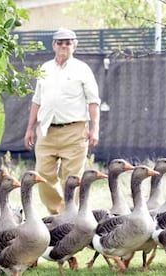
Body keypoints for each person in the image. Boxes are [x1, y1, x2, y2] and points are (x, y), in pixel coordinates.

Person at [24, 28, 101, 214]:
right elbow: (37, 100)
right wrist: (29, 129)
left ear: (74, 45)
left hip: (74, 131)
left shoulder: (82, 69)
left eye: (67, 42)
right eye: (60, 42)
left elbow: (93, 101)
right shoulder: (45, 68)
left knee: (72, 178)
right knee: (42, 175)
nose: (63, 46)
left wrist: (95, 129)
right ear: (53, 45)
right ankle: (57, 214)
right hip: (46, 130)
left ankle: (72, 218)